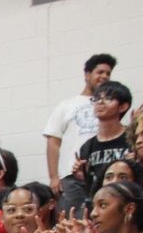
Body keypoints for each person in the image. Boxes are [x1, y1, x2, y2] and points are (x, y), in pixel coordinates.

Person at [44, 53, 116, 215]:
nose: (104, 76)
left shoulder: (112, 106)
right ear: (87, 74)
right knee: (72, 222)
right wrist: (54, 177)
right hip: (71, 177)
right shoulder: (67, 105)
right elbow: (53, 142)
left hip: (102, 175)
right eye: (100, 72)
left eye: (108, 73)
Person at [75, 81, 133, 196]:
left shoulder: (133, 139)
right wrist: (81, 175)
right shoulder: (87, 147)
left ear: (123, 107)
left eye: (108, 98)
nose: (100, 102)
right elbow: (90, 186)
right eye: (96, 99)